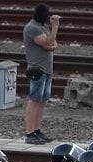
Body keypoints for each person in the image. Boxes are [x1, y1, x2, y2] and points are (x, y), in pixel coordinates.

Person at [23, 3, 59, 144]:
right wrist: (55, 27)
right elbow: (47, 41)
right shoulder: (31, 28)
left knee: (42, 101)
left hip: (47, 69)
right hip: (37, 69)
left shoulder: (42, 27)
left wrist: (50, 42)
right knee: (34, 100)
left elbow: (53, 43)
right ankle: (29, 133)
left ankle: (37, 130)